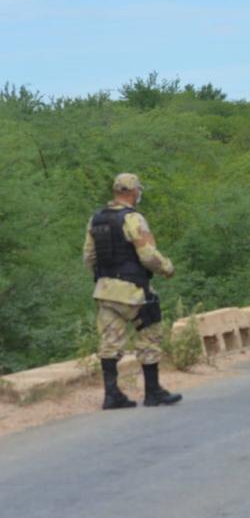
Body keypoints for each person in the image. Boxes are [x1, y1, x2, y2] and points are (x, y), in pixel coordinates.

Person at [83, 173, 182, 410]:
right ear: (133, 192)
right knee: (150, 335)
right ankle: (153, 392)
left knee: (110, 342)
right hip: (134, 291)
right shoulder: (133, 218)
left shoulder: (95, 219)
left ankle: (112, 395)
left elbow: (88, 257)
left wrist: (105, 276)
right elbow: (147, 255)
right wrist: (167, 268)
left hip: (105, 291)